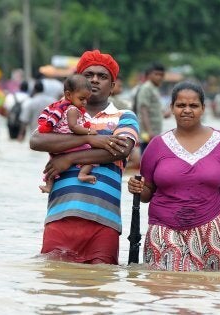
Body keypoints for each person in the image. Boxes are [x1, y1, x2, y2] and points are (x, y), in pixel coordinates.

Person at [127, 81, 220, 272]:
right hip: (164, 228)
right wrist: (137, 188)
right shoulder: (157, 146)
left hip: (213, 229)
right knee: (164, 291)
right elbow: (147, 193)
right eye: (181, 105)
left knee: (207, 293)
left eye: (193, 105)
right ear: (172, 109)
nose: (187, 110)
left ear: (203, 109)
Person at [30, 49, 139, 265]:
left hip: (104, 221)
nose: (95, 80)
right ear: (75, 83)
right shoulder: (59, 113)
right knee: (55, 288)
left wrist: (69, 159)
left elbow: (122, 149)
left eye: (102, 76)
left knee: (100, 289)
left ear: (113, 86)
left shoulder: (124, 116)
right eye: (88, 75)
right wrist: (92, 141)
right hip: (60, 215)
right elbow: (36, 141)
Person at [37, 74, 97, 193]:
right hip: (71, 144)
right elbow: (74, 127)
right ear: (68, 95)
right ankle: (83, 174)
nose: (85, 102)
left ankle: (48, 186)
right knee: (92, 155)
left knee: (51, 165)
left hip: (60, 146)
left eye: (86, 99)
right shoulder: (72, 110)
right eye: (81, 99)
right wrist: (89, 132)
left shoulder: (62, 108)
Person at [135, 62, 166, 153]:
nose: (159, 77)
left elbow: (153, 109)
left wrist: (164, 114)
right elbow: (143, 110)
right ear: (149, 75)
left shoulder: (154, 88)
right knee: (146, 156)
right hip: (147, 133)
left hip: (154, 131)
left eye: (161, 75)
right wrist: (149, 131)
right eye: (156, 74)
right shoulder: (146, 88)